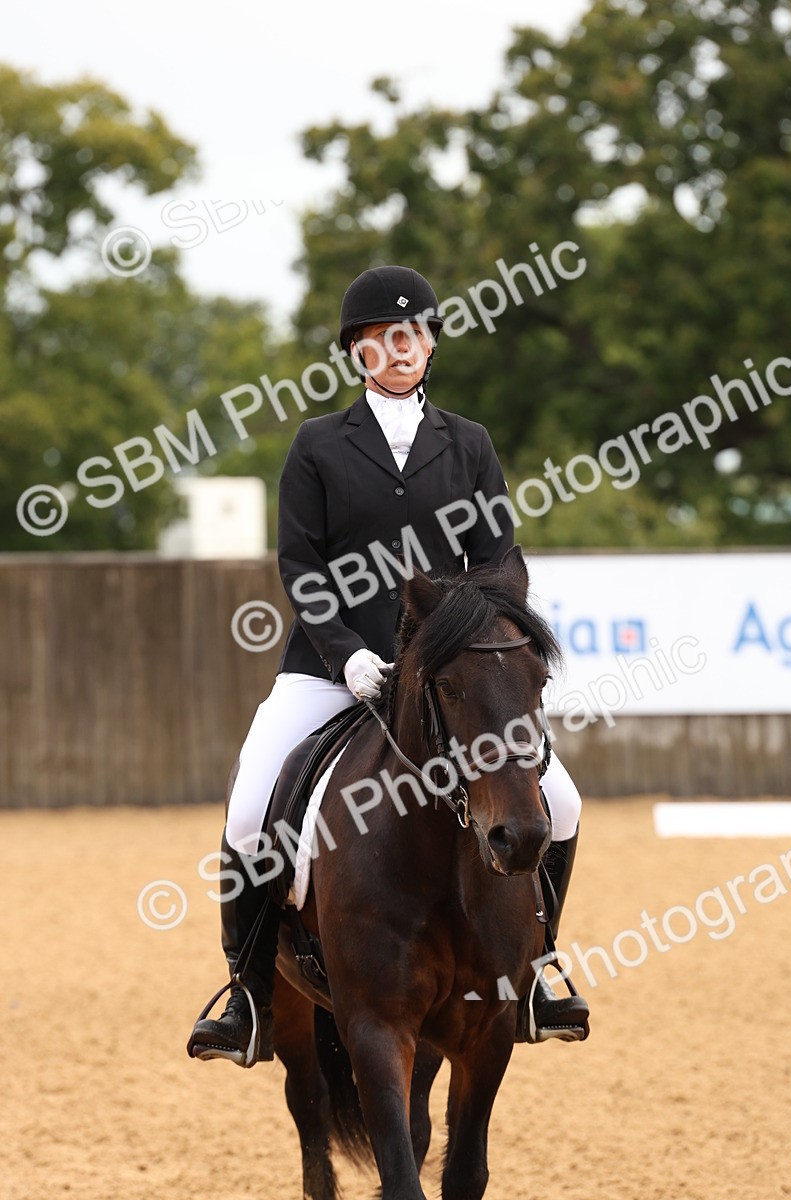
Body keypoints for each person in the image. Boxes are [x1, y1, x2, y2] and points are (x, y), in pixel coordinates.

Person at [188, 265, 589, 1067]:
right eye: (380, 338)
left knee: (564, 804)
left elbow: (497, 556)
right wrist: (349, 656)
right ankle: (249, 996)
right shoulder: (317, 446)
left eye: (411, 334)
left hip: (447, 675)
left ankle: (536, 971)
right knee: (245, 813)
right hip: (330, 668)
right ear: (358, 353)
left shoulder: (467, 443)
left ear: (430, 345)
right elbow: (302, 567)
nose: (398, 347)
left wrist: (461, 648)